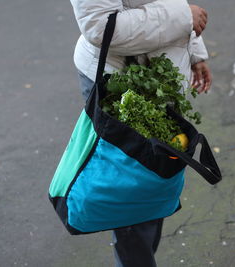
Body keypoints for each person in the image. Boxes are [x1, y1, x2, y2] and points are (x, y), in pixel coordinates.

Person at [69, 0, 212, 266]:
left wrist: (193, 49)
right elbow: (101, 26)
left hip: (160, 74)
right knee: (132, 197)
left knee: (151, 188)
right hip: (120, 79)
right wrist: (184, 18)